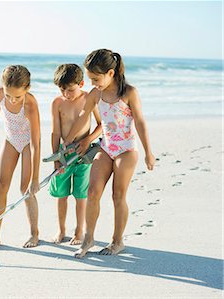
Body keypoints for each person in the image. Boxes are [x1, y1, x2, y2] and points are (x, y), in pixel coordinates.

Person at [62, 49, 155, 258]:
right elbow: (82, 116)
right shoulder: (96, 93)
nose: (93, 83)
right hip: (106, 147)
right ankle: (89, 239)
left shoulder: (129, 92)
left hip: (127, 150)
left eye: (96, 78)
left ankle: (117, 241)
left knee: (118, 195)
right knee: (92, 192)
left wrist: (149, 152)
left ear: (111, 73)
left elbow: (140, 122)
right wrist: (67, 141)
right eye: (90, 79)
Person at [0, 65, 41, 249]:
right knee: (1, 186)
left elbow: (36, 143)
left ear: (27, 89)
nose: (12, 100)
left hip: (27, 144)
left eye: (17, 96)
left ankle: (34, 233)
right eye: (8, 95)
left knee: (25, 188)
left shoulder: (30, 104)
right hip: (10, 140)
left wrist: (35, 178)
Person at [49, 64, 102, 245]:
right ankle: (61, 230)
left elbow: (101, 124)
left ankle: (79, 231)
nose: (66, 94)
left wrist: (88, 140)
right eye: (62, 89)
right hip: (64, 156)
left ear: (81, 83)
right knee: (61, 195)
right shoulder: (57, 103)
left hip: (84, 155)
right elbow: (55, 133)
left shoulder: (89, 98)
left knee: (81, 196)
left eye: (70, 90)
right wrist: (56, 159)